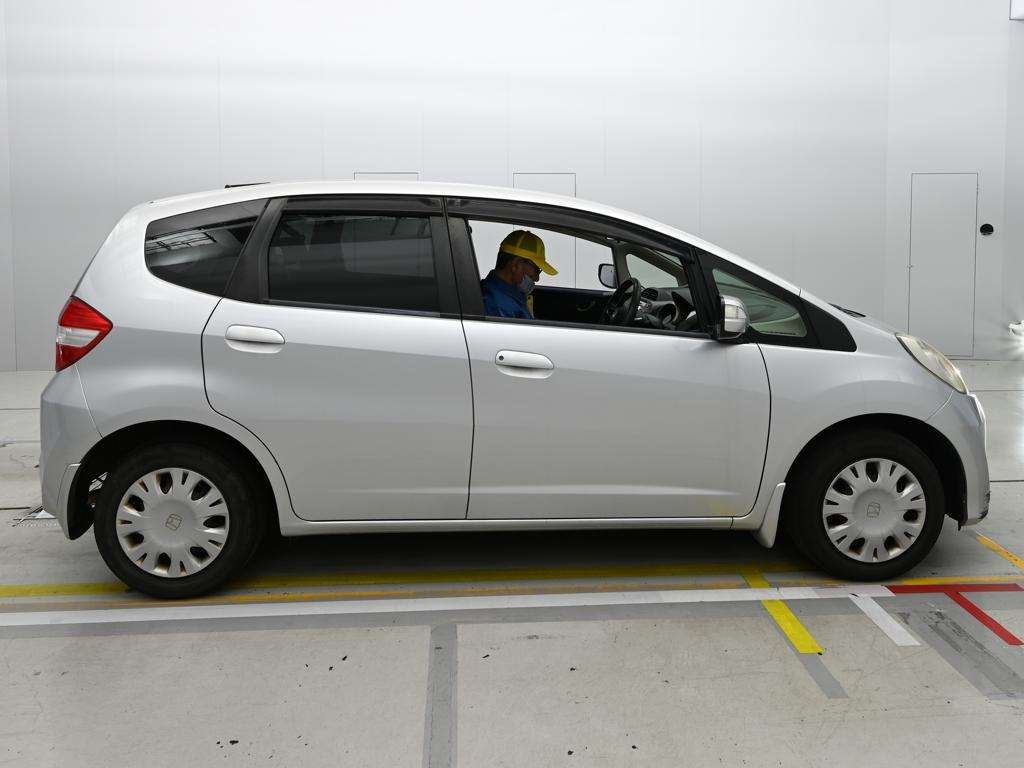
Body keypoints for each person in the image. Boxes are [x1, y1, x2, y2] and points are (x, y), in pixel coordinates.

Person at [480, 230, 558, 318]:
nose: (537, 278)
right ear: (516, 265)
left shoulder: (510, 295)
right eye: (537, 269)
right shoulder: (498, 306)